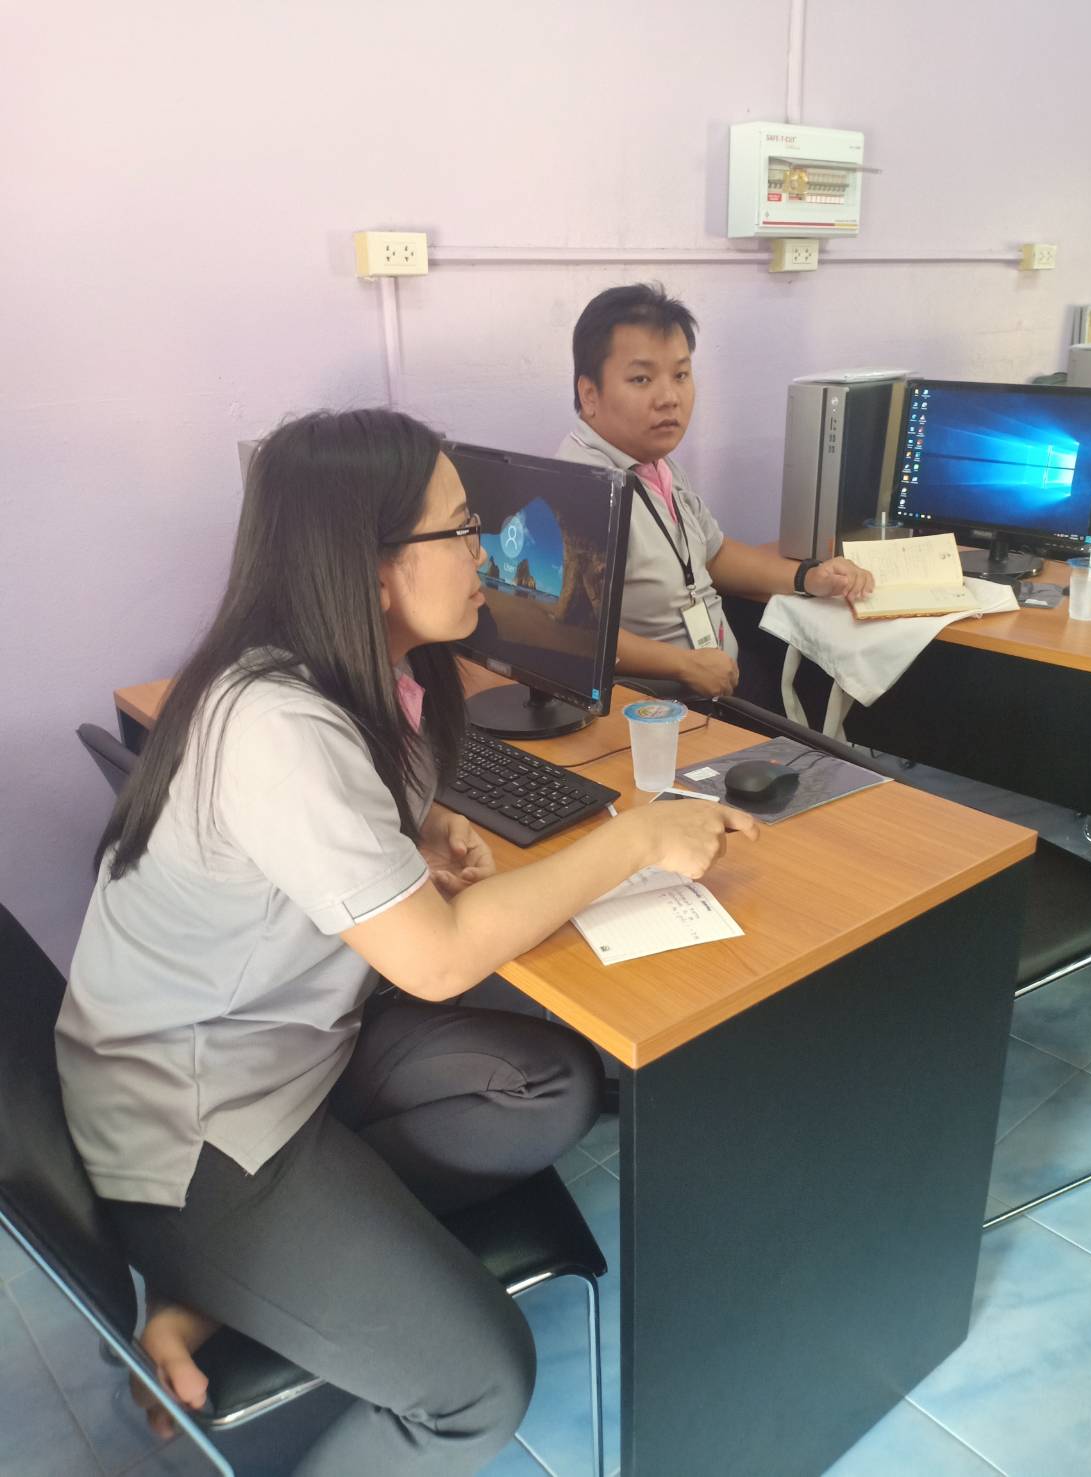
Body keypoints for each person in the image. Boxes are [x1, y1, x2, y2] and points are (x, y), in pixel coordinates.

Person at [56, 407, 757, 1476]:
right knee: (481, 1385)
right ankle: (216, 1268)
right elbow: (435, 961)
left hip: (292, 1051)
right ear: (372, 564)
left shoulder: (354, 679)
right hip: (196, 1133)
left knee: (549, 1087)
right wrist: (636, 840)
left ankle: (253, 1277)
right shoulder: (276, 724)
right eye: (464, 530)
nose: (491, 557)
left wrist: (410, 836)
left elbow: (325, 841)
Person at [557, 283, 874, 700]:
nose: (669, 398)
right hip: (663, 703)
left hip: (720, 676)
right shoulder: (583, 487)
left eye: (680, 375)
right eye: (641, 379)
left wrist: (808, 577)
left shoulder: (654, 462)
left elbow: (714, 552)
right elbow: (574, 632)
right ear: (589, 394)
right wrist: (683, 665)